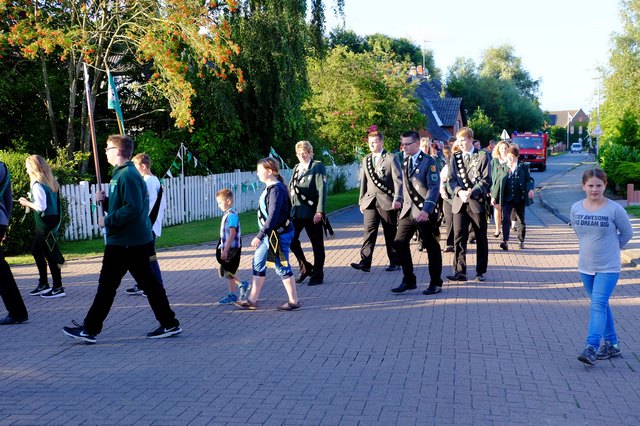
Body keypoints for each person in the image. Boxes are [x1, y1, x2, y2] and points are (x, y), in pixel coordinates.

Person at [63, 135, 181, 343]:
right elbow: (125, 203)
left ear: (117, 151)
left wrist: (107, 220)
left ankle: (90, 329)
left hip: (126, 242)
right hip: (130, 241)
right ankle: (169, 323)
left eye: (108, 148)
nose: (105, 152)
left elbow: (132, 209)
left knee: (109, 286)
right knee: (147, 285)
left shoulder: (127, 175)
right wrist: (106, 201)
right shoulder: (123, 174)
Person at [571, 168, 632, 366]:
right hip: (586, 266)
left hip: (608, 267)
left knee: (597, 305)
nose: (594, 189)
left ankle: (591, 347)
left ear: (605, 185)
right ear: (583, 186)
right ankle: (613, 345)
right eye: (590, 185)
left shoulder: (614, 209)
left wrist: (612, 248)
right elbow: (579, 234)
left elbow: (627, 233)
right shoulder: (576, 208)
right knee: (601, 305)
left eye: (599, 185)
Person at [235, 157, 301, 311]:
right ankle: (252, 300)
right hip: (269, 236)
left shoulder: (276, 190)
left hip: (277, 235)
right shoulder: (271, 188)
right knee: (258, 262)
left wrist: (260, 235)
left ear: (270, 171)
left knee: (281, 266)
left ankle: (294, 301)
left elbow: (273, 216)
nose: (257, 173)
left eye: (260, 170)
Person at [391, 131, 443, 295]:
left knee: (431, 246)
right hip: (407, 210)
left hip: (423, 211)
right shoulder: (406, 161)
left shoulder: (429, 162)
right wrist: (398, 199)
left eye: (407, 144)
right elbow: (403, 185)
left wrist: (426, 210)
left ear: (417, 143)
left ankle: (435, 282)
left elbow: (434, 187)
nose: (404, 147)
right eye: (403, 144)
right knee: (399, 242)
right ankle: (409, 279)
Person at [351, 128, 403, 273]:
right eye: (370, 143)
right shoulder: (366, 159)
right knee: (369, 231)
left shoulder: (391, 158)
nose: (372, 145)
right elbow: (364, 181)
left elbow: (398, 180)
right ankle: (365, 262)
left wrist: (398, 198)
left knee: (390, 232)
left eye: (375, 142)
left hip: (387, 200)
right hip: (370, 201)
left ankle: (395, 261)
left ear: (381, 142)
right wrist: (361, 200)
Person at [447, 127, 491, 283]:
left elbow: (486, 179)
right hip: (460, 202)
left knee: (480, 237)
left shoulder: (482, 156)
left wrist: (473, 191)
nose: (460, 143)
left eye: (463, 140)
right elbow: (451, 180)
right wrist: (459, 191)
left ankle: (480, 271)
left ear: (471, 139)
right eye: (459, 140)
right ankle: (460, 271)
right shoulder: (455, 157)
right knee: (459, 237)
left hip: (476, 202)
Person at [19, 155, 65, 298]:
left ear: (33, 168)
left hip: (45, 223)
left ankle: (57, 287)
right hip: (51, 220)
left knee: (50, 254)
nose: (26, 170)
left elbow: (40, 207)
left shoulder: (37, 184)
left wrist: (26, 202)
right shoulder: (51, 182)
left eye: (27, 167)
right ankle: (43, 284)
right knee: (36, 250)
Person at [125, 153, 167, 296]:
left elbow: (148, 205)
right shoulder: (153, 181)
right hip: (148, 224)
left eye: (135, 166)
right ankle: (142, 284)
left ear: (143, 166)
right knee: (141, 258)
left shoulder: (148, 181)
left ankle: (157, 286)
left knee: (149, 258)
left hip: (147, 225)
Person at [289, 141, 327, 285]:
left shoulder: (317, 166)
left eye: (305, 152)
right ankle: (305, 267)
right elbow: (291, 189)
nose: (302, 155)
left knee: (317, 245)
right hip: (297, 212)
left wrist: (320, 211)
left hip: (312, 213)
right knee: (291, 240)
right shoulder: (296, 168)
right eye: (299, 153)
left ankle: (317, 275)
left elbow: (322, 189)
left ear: (311, 153)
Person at [0, 159, 29, 325]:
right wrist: (5, 223)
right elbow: (8, 200)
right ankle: (17, 311)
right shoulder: (3, 168)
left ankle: (17, 311)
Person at [492, 145, 534, 250]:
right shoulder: (503, 167)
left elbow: (529, 179)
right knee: (505, 218)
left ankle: (521, 240)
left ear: (517, 156)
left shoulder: (523, 166)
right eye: (509, 156)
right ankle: (505, 241)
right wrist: (494, 196)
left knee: (521, 220)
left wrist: (530, 189)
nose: (510, 159)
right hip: (507, 198)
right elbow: (497, 182)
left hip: (519, 198)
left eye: (513, 157)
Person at [214, 188, 250, 304]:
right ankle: (234, 292)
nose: (219, 205)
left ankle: (240, 286)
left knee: (228, 271)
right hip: (227, 247)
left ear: (228, 201)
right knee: (227, 271)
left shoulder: (232, 216)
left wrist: (225, 250)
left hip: (232, 248)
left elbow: (232, 234)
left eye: (220, 203)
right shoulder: (227, 215)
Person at [490, 141, 510, 238]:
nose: (503, 150)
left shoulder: (510, 160)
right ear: (498, 149)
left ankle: (506, 229)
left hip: (507, 189)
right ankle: (498, 229)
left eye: (505, 148)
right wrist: (490, 189)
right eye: (501, 148)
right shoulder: (494, 161)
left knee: (506, 211)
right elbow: (490, 175)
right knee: (497, 209)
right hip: (496, 189)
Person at [440, 144, 455, 253]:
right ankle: (450, 243)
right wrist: (442, 190)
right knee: (449, 220)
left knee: (459, 222)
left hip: (458, 197)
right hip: (448, 198)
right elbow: (441, 180)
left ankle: (459, 244)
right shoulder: (446, 167)